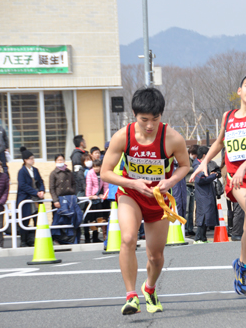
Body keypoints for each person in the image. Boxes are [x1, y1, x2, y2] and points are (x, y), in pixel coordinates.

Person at [101, 87, 189, 315]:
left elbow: (185, 166)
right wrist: (132, 183)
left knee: (155, 255)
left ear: (161, 115)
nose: (150, 125)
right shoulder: (123, 136)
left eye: (155, 119)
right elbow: (105, 172)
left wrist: (170, 182)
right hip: (131, 193)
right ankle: (131, 296)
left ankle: (149, 288)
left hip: (159, 199)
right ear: (134, 114)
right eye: (144, 120)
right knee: (128, 238)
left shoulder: (172, 138)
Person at [190, 73, 246, 297]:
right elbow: (219, 142)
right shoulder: (229, 116)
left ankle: (241, 263)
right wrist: (203, 162)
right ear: (239, 90)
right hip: (237, 177)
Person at [16, 147, 45, 247]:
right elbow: (22, 185)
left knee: (38, 219)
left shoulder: (35, 170)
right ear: (25, 160)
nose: (33, 160)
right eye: (31, 158)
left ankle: (38, 240)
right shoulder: (22, 171)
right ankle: (23, 241)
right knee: (25, 220)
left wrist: (42, 190)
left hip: (36, 199)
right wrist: (35, 192)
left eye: (33, 158)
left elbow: (41, 181)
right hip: (26, 199)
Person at [192, 146, 220, 244]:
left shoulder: (201, 163)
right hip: (203, 194)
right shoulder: (197, 165)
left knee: (206, 216)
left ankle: (203, 238)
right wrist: (213, 175)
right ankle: (198, 238)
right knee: (203, 216)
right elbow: (200, 179)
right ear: (204, 155)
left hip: (206, 193)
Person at [49, 154, 79, 244]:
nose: (60, 162)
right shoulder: (53, 173)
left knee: (70, 219)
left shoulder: (69, 172)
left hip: (69, 199)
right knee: (58, 220)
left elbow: (74, 183)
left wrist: (73, 192)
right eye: (58, 160)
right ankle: (56, 238)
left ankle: (69, 239)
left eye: (61, 160)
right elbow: (52, 188)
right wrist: (55, 200)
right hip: (59, 200)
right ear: (55, 162)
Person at [85, 159, 109, 243]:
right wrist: (89, 196)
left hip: (99, 196)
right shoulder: (90, 173)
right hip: (92, 197)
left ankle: (97, 236)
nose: (96, 168)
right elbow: (89, 185)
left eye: (98, 166)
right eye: (95, 167)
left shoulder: (102, 173)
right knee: (91, 218)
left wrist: (105, 194)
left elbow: (105, 184)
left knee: (100, 217)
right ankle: (91, 237)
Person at [185, 145, 199, 237]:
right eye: (195, 155)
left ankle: (190, 228)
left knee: (191, 209)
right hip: (186, 184)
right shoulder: (185, 157)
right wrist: (195, 168)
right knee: (186, 209)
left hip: (192, 185)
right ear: (192, 153)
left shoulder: (194, 160)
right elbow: (184, 168)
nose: (196, 157)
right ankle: (185, 228)